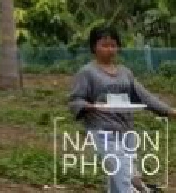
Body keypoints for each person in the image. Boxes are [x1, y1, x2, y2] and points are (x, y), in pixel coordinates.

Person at [69, 25, 174, 193]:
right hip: (102, 131)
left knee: (118, 177)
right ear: (94, 47)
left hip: (126, 131)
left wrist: (169, 111)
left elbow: (143, 96)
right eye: (104, 45)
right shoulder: (87, 73)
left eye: (113, 45)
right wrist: (91, 106)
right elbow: (75, 100)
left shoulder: (125, 73)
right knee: (124, 173)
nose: (110, 49)